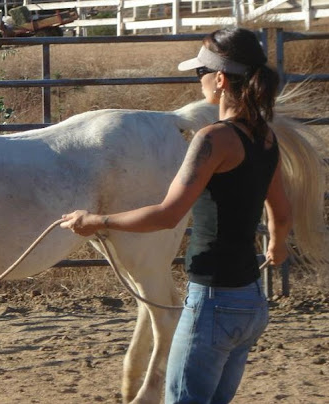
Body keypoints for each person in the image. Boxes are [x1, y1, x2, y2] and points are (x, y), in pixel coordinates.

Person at [60, 27, 292, 403]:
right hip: (250, 303)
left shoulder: (214, 139)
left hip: (213, 302)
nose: (198, 80)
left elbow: (168, 215)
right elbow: (281, 211)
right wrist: (277, 248)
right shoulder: (265, 137)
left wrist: (97, 222)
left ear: (219, 79)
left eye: (200, 72)